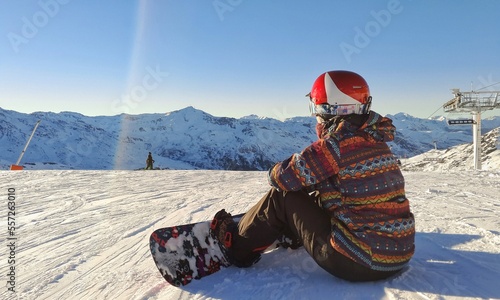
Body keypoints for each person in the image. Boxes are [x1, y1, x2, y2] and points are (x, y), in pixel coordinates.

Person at [211, 70, 415, 282]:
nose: (315, 114)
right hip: (399, 256)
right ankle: (293, 232)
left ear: (329, 109)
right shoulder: (377, 141)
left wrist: (275, 170)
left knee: (283, 196)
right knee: (323, 192)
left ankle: (236, 247)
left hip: (357, 261)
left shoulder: (337, 145)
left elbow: (283, 178)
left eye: (317, 106)